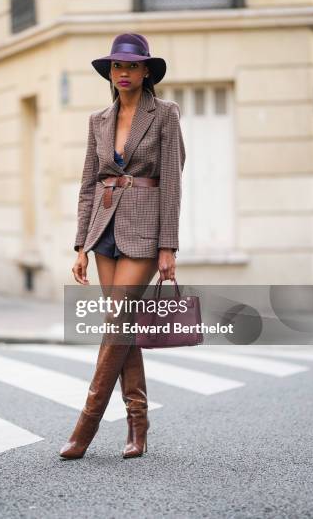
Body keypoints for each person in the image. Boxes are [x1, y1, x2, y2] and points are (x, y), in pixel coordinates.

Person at [59, 33, 186, 460]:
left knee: (116, 323)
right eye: (117, 66)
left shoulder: (165, 114)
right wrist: (81, 244)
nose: (124, 73)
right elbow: (86, 185)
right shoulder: (98, 119)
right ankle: (138, 422)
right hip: (103, 229)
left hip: (146, 230)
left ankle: (86, 425)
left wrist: (168, 246)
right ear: (110, 73)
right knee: (123, 328)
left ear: (146, 70)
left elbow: (172, 182)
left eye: (132, 66)